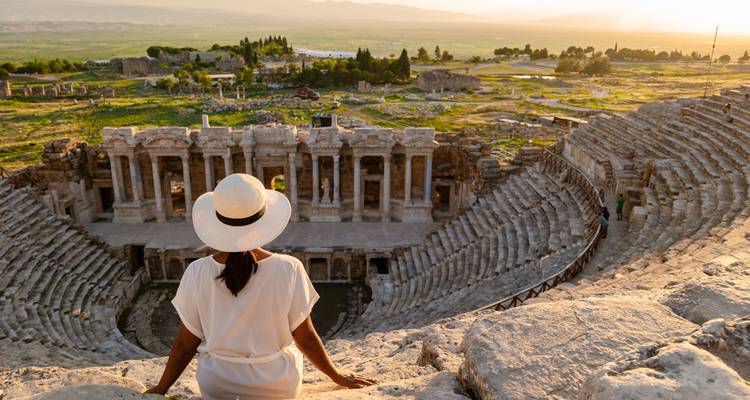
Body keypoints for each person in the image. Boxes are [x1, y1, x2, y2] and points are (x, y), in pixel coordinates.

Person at [146, 174, 375, 399]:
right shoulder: (289, 267)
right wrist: (336, 376)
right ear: (262, 221)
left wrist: (161, 388)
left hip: (218, 384)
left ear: (218, 221)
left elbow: (186, 344)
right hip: (276, 383)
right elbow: (305, 338)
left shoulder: (196, 271)